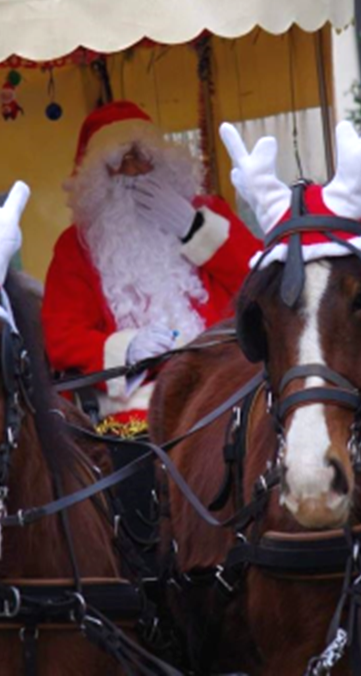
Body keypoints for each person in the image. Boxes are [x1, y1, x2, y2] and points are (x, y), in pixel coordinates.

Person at [42, 101, 261, 435]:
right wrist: (126, 349)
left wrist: (193, 227)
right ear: (97, 179)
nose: (134, 171)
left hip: (227, 383)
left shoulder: (207, 213)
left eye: (143, 156)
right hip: (138, 407)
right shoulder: (77, 246)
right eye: (119, 162)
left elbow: (258, 283)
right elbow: (61, 338)